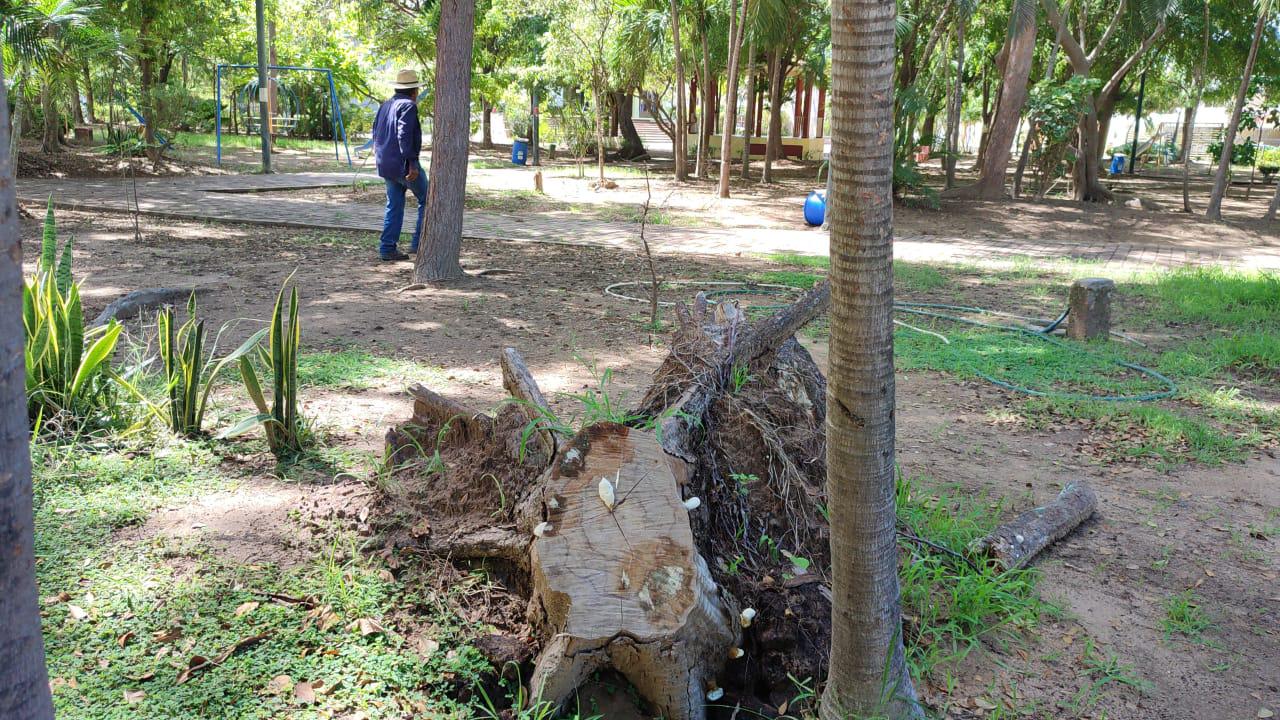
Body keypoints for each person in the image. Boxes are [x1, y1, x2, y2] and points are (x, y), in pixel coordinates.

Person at [371, 69, 428, 262]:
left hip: (386, 164)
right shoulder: (409, 106)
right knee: (428, 199)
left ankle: (387, 247)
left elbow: (375, 132)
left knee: (394, 205)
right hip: (404, 165)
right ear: (414, 91)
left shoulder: (386, 105)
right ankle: (419, 242)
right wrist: (412, 163)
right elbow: (404, 135)